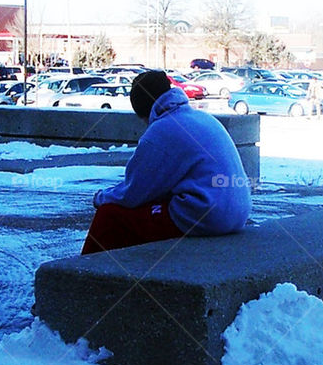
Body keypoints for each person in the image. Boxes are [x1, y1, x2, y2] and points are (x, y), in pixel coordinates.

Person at [81, 70, 252, 254]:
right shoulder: (202, 118)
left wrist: (101, 197)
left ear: (143, 111)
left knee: (109, 216)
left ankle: (81, 275)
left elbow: (134, 193)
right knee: (148, 212)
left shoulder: (162, 130)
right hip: (237, 212)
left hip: (207, 215)